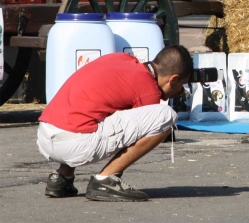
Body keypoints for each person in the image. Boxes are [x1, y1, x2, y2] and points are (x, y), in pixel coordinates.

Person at [37, 45, 193, 201]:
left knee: (94, 110)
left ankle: (61, 177)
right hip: (73, 146)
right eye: (181, 86)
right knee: (166, 117)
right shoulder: (148, 89)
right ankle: (106, 180)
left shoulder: (122, 59)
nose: (180, 92)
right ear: (173, 79)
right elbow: (149, 132)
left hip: (45, 135)